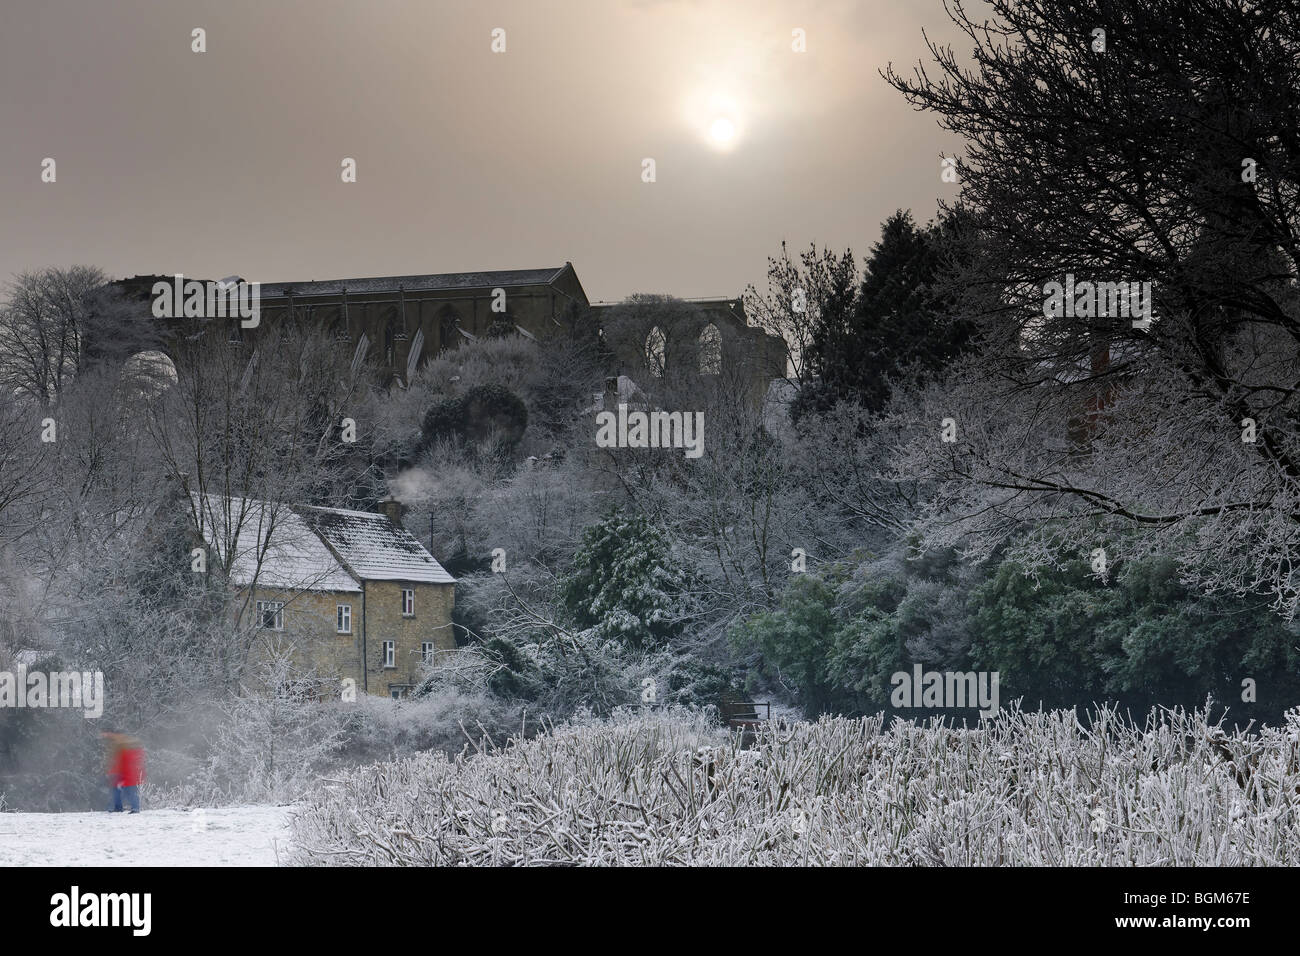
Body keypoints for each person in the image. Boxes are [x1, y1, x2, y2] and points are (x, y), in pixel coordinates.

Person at [101, 731, 146, 813]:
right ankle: (120, 807)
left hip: (127, 774)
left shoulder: (126, 750)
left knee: (129, 791)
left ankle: (132, 808)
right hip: (123, 774)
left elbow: (123, 763)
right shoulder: (123, 748)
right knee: (120, 791)